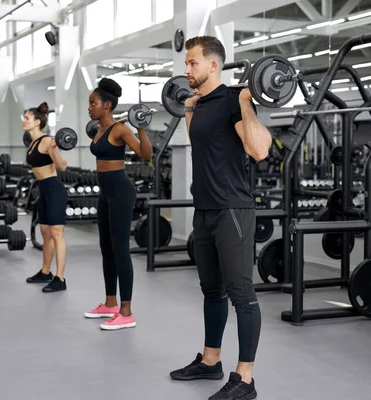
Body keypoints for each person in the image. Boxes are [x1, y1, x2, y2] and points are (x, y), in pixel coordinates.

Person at [168, 36, 272, 400]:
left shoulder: (233, 100)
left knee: (241, 293)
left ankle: (244, 379)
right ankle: (210, 361)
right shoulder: (198, 104)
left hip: (233, 210)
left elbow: (259, 150)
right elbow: (202, 144)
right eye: (186, 63)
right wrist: (188, 110)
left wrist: (245, 101)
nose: (186, 69)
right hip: (205, 210)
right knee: (211, 290)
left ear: (213, 65)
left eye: (192, 62)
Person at [84, 78, 153, 330]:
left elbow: (146, 155)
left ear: (108, 105)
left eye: (93, 103)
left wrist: (142, 127)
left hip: (121, 191)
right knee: (106, 247)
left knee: (121, 249)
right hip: (105, 192)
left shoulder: (121, 128)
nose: (89, 107)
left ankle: (126, 311)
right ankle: (110, 302)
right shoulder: (99, 129)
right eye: (89, 103)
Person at [23, 102, 69, 293]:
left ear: (37, 122)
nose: (24, 121)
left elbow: (63, 166)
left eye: (27, 118)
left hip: (54, 189)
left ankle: (60, 278)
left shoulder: (47, 141)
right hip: (43, 190)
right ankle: (45, 271)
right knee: (45, 232)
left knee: (57, 234)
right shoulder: (33, 142)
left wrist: (55, 148)